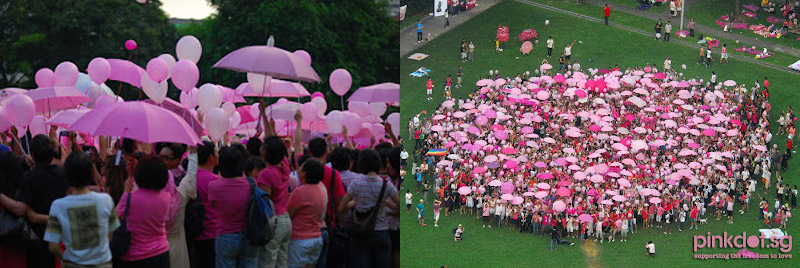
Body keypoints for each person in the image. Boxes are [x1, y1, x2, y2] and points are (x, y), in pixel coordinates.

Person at [44, 151, 118, 268]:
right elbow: (110, 235)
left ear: (66, 175)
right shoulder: (106, 200)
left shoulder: (58, 206)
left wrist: (66, 261)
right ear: (90, 174)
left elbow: (53, 247)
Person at [337, 149, 400, 267]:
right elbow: (401, 206)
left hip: (361, 234)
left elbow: (341, 208)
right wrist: (389, 210)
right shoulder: (386, 185)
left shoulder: (356, 184)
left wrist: (356, 201)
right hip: (382, 232)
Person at [116, 155, 173, 267]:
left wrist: (126, 190)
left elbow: (115, 218)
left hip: (136, 257)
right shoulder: (166, 197)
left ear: (139, 175)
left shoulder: (129, 199)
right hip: (161, 253)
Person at [209, 147, 258, 267]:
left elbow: (215, 205)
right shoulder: (251, 183)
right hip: (250, 234)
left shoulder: (214, 186)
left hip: (226, 235)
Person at [287, 158, 327, 268]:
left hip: (299, 240)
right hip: (316, 238)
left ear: (304, 173)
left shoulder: (299, 192)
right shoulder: (321, 189)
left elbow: (289, 213)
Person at [194, 141, 219, 268]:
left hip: (195, 233)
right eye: (216, 152)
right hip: (213, 233)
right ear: (211, 158)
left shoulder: (189, 179)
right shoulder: (215, 181)